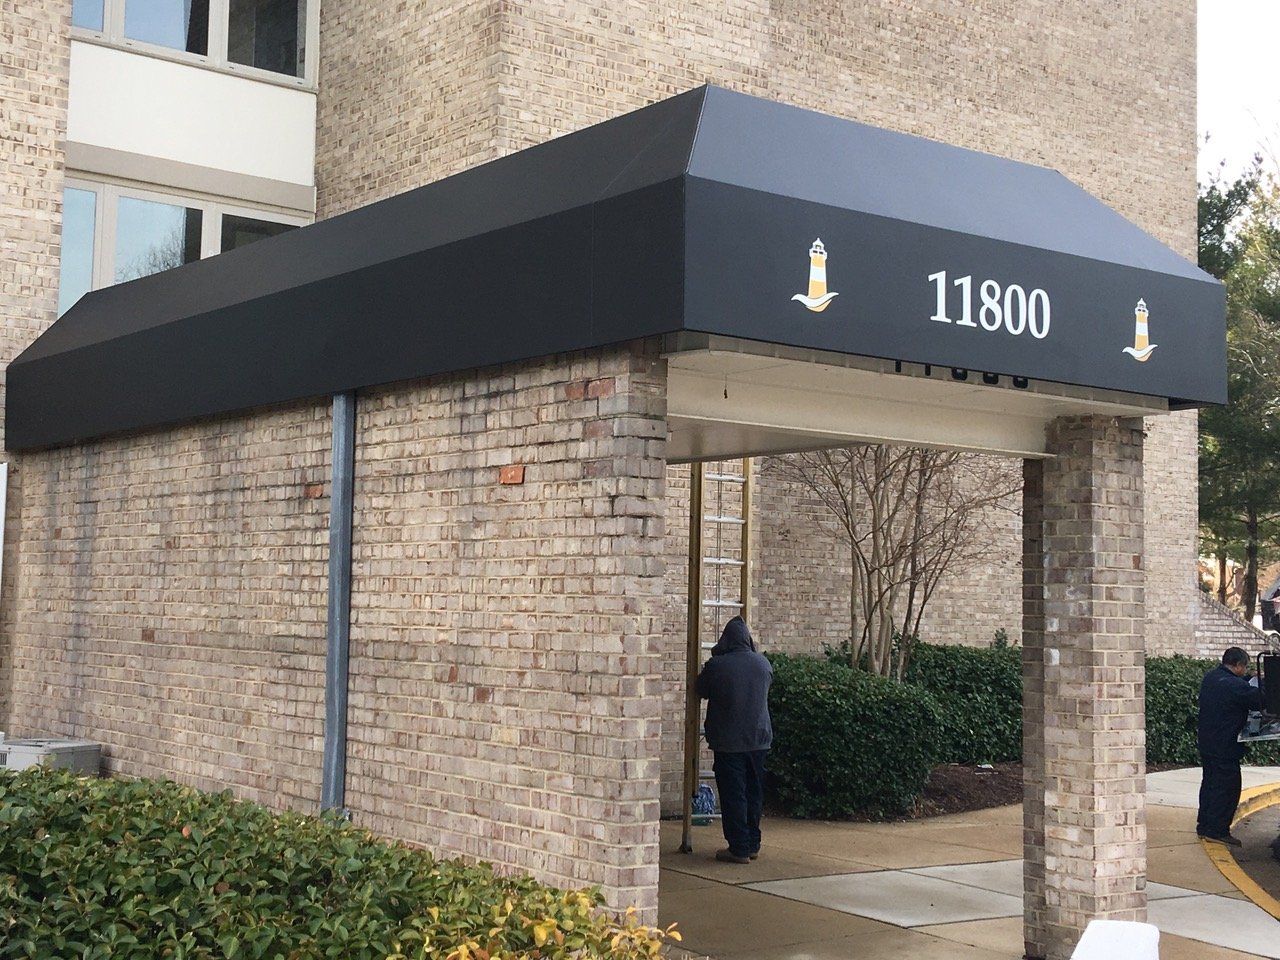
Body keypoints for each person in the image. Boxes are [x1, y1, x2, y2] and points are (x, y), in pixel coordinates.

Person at [696, 616, 772, 864]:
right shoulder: (763, 664)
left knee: (733, 793)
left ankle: (738, 847)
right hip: (759, 740)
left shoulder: (718, 666)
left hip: (729, 741)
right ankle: (753, 844)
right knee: (754, 792)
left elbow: (701, 689)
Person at [1197, 647, 1264, 846]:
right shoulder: (1234, 686)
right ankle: (1217, 830)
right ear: (1238, 665)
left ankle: (1204, 825)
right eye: (1245, 667)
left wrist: (1248, 678)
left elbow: (1233, 685)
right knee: (1227, 788)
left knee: (1210, 783)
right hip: (1225, 745)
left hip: (1208, 742)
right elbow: (1258, 698)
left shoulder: (1212, 678)